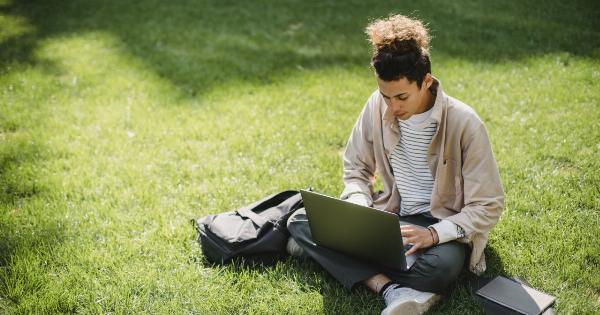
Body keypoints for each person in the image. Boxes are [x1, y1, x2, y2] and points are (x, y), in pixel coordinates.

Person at [286, 14, 505, 315]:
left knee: (439, 269)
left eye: (401, 96)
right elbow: (355, 168)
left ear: (426, 81)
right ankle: (391, 289)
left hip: (441, 228)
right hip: (391, 217)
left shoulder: (465, 123)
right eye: (385, 96)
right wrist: (359, 203)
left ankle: (330, 253)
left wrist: (433, 235)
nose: (393, 106)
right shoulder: (376, 105)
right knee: (301, 220)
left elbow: (489, 204)